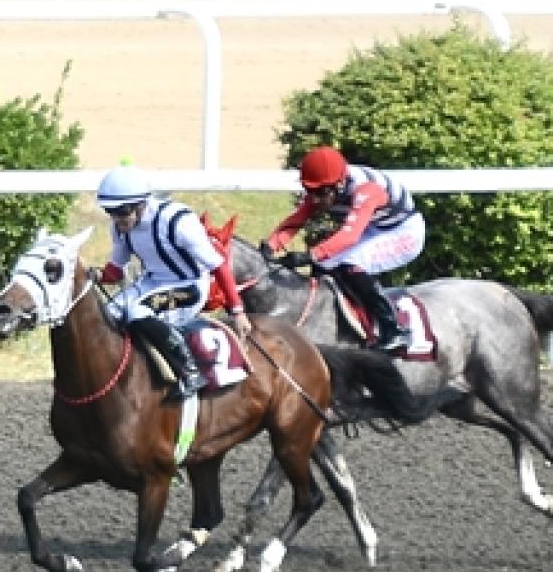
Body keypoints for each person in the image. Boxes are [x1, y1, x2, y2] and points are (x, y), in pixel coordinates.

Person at [94, 165, 253, 400]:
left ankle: (190, 371)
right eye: (111, 211)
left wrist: (237, 311)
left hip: (189, 286)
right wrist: (95, 275)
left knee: (137, 311)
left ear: (141, 204)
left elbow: (217, 265)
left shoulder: (176, 221)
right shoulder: (120, 228)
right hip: (151, 283)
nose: (117, 219)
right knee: (107, 314)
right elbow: (116, 271)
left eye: (122, 211)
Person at [261, 145, 424, 352]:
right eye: (310, 191)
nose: (315, 199)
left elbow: (350, 235)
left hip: (403, 232)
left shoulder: (366, 189)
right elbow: (297, 219)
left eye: (320, 193)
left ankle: (392, 330)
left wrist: (309, 255)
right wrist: (270, 245)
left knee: (351, 265)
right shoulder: (326, 186)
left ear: (338, 184)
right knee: (324, 265)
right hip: (373, 227)